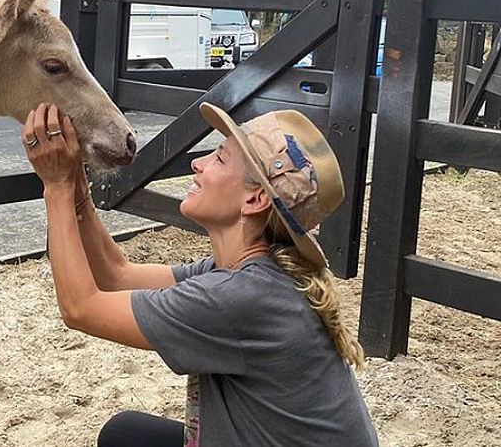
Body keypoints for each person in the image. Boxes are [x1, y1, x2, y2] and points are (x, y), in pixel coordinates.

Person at [21, 102, 379, 447]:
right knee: (126, 434)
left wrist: (55, 188)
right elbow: (116, 276)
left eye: (219, 158)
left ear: (255, 200)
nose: (198, 163)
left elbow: (81, 308)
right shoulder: (246, 272)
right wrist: (75, 183)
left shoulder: (240, 298)